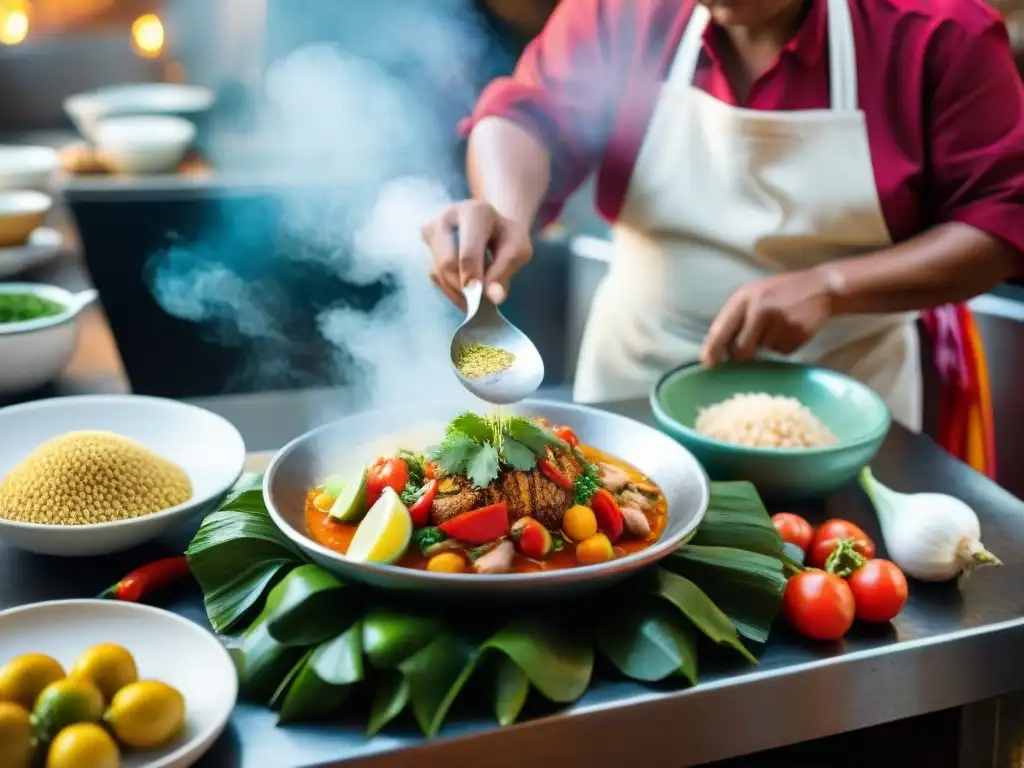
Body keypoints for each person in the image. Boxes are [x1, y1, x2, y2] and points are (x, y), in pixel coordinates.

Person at [420, 0, 1024, 431]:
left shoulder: (939, 31)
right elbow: (528, 116)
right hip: (634, 390)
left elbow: (1000, 222)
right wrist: (503, 210)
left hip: (847, 401)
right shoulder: (623, 11)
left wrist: (832, 287)